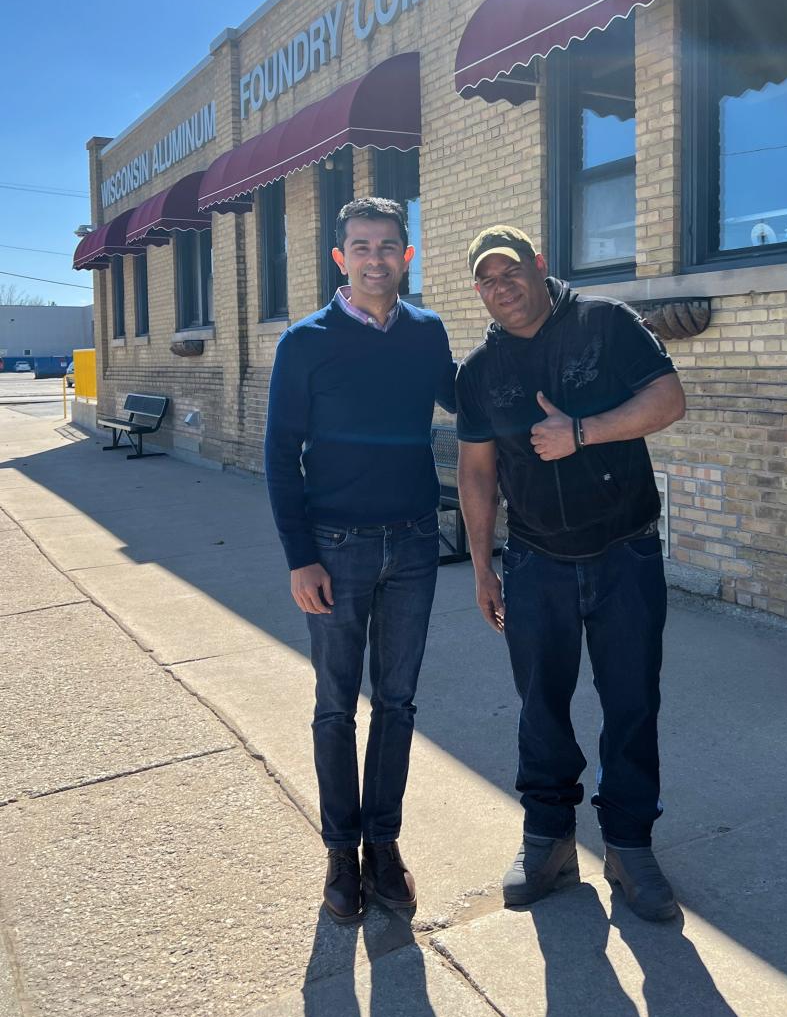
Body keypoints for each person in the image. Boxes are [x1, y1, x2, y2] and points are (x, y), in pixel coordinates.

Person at [455, 226, 686, 921]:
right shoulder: (478, 371)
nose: (502, 287)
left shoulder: (606, 325)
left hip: (625, 551)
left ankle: (628, 844)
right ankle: (548, 839)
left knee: (632, 703)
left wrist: (581, 432)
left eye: (511, 271)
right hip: (534, 560)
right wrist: (481, 566)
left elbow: (669, 400)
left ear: (539, 265)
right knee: (540, 707)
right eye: (487, 280)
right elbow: (475, 471)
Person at [264, 196, 456, 924]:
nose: (376, 257)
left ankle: (385, 844)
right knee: (336, 706)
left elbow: (467, 398)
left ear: (407, 255)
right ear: (340, 257)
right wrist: (299, 557)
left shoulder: (426, 332)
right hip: (335, 551)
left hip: (412, 543)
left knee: (399, 704)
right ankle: (341, 855)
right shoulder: (305, 343)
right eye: (361, 246)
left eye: (388, 245)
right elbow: (281, 457)